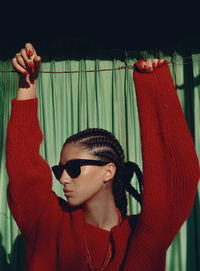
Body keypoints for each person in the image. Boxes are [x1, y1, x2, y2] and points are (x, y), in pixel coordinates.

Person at [6, 43, 199, 271]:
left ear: (108, 171)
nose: (63, 179)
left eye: (74, 168)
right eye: (59, 170)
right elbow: (23, 170)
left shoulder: (143, 234)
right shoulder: (49, 223)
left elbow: (176, 180)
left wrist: (154, 86)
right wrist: (27, 82)